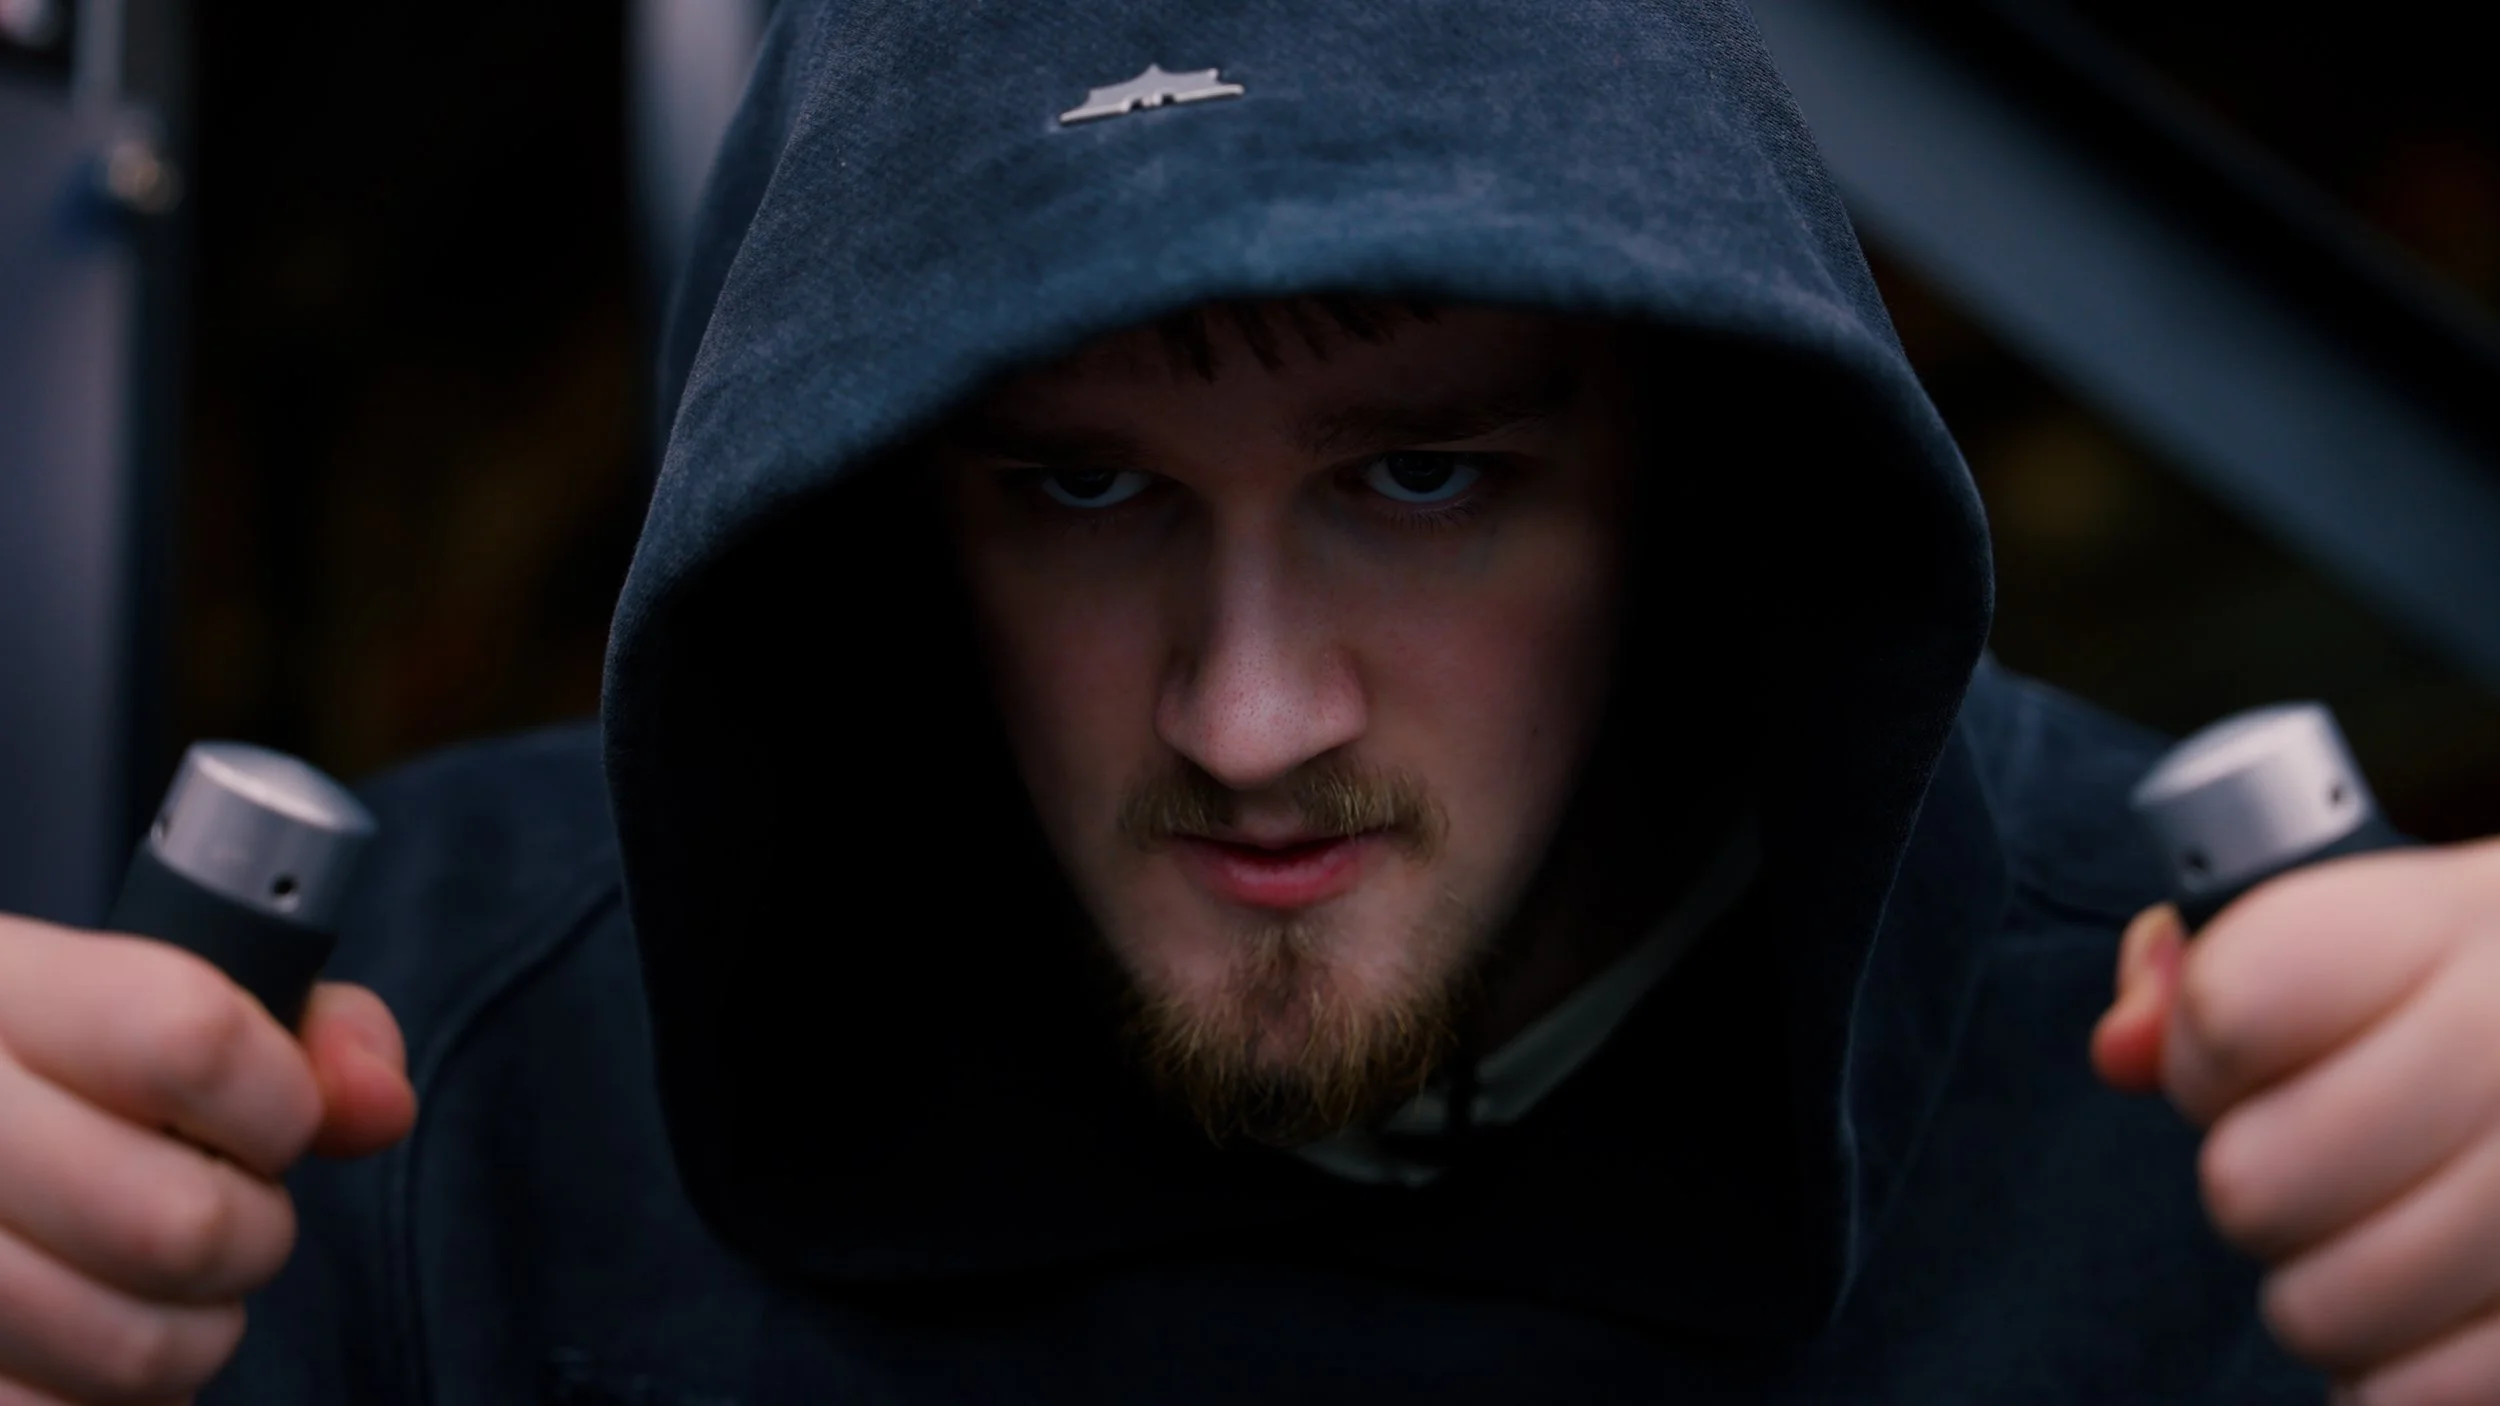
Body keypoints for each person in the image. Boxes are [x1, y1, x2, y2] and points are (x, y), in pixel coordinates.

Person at [3, 2, 2498, 1401]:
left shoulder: (2236, 1121)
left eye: (1417, 475)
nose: (1246, 710)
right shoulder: (421, 1077)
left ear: (1693, 477)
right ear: (879, 518)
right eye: (1077, 497)